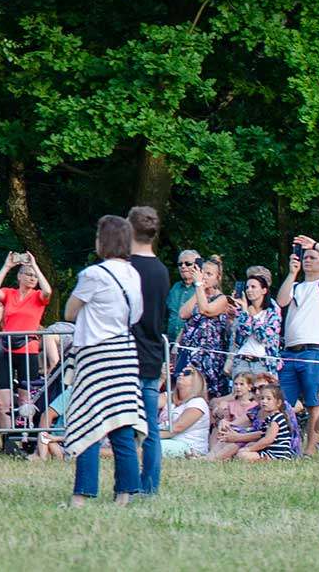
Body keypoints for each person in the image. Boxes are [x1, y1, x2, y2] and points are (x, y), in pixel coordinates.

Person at [60, 214, 144, 508]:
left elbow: (69, 312)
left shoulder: (93, 275)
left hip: (96, 353)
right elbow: (136, 316)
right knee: (121, 424)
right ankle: (125, 494)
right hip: (124, 352)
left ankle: (81, 496)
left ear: (104, 240)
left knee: (87, 422)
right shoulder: (134, 274)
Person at [274, 234, 319, 455]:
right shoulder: (297, 286)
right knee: (283, 402)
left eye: (313, 257)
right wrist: (292, 273)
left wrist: (314, 245)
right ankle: (287, 446)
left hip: (315, 352)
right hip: (290, 351)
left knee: (315, 402)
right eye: (306, 257)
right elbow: (282, 301)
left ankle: (311, 449)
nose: (308, 260)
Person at [125, 206, 171, 495]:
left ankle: (128, 484)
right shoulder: (162, 270)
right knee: (151, 428)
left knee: (126, 426)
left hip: (127, 353)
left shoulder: (126, 268)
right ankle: (150, 486)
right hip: (153, 352)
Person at [0, 251, 50, 435]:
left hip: (28, 350)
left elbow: (48, 291)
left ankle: (27, 436)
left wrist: (35, 265)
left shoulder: (38, 296)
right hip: (5, 348)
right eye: (28, 274)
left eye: (34, 275)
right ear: (19, 276)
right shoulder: (10, 293)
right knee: (2, 401)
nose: (32, 278)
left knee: (27, 398)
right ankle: (7, 439)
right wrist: (7, 266)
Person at [173, 256, 233, 401]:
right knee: (184, 391)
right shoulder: (198, 293)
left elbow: (206, 309)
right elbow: (182, 313)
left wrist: (199, 285)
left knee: (206, 393)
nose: (204, 276)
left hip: (209, 356)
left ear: (218, 278)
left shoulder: (223, 299)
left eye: (209, 274)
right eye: (202, 272)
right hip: (190, 353)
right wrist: (199, 289)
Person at [228, 266, 283, 384]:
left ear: (264, 288)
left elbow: (263, 338)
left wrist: (254, 316)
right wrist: (244, 310)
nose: (249, 290)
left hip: (263, 363)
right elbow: (241, 334)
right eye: (247, 286)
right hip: (241, 360)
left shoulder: (272, 310)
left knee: (262, 397)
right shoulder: (243, 308)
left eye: (254, 286)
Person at [235, 381, 298, 461]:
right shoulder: (270, 418)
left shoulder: (276, 419)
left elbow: (267, 440)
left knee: (242, 455)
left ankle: (262, 460)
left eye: (268, 399)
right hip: (269, 450)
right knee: (247, 446)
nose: (264, 401)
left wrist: (249, 449)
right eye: (262, 398)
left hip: (277, 455)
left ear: (278, 403)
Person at [208, 373, 261, 462]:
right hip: (230, 430)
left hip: (245, 434)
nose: (238, 387)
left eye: (241, 384)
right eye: (235, 384)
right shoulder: (230, 404)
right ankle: (211, 454)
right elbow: (226, 419)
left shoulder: (255, 405)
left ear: (249, 386)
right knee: (217, 429)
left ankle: (214, 457)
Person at [160, 369, 211, 458]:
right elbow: (147, 404)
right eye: (181, 372)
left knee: (146, 446)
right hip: (166, 439)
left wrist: (147, 435)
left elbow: (176, 429)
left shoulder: (198, 402)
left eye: (187, 373)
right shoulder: (168, 396)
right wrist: (161, 379)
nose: (180, 373)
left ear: (196, 381)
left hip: (189, 446)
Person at [164, 248, 200, 345]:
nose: (183, 266)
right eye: (180, 264)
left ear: (197, 265)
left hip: (190, 345)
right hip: (169, 343)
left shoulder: (202, 289)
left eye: (188, 263)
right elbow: (166, 313)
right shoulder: (175, 287)